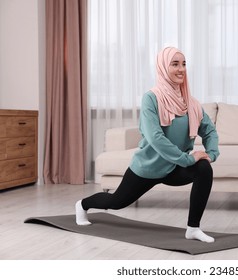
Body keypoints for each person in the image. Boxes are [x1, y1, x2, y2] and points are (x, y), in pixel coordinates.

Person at [75, 46, 219, 243]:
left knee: (204, 168)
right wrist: (187, 158)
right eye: (175, 64)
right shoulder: (151, 98)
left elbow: (209, 130)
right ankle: (82, 205)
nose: (181, 69)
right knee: (116, 202)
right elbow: (155, 138)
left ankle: (193, 228)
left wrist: (211, 152)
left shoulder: (190, 103)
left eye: (184, 64)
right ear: (162, 67)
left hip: (175, 168)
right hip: (148, 167)